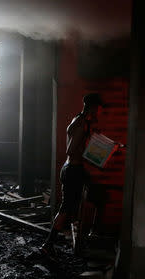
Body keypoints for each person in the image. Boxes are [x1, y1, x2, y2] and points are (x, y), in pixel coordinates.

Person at [40, 93, 103, 256]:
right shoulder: (82, 125)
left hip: (74, 169)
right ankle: (48, 244)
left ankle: (83, 235)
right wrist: (95, 154)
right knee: (66, 208)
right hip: (73, 171)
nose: (100, 112)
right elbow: (70, 150)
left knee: (89, 199)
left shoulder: (80, 119)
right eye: (99, 108)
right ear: (93, 108)